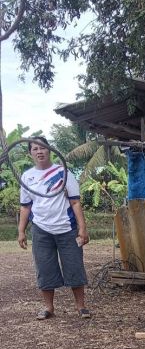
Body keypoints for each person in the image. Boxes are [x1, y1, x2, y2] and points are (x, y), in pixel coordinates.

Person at [17, 136, 91, 319]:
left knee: (74, 266)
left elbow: (75, 202)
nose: (39, 152)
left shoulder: (63, 172)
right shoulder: (27, 177)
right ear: (30, 153)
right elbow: (25, 206)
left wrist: (82, 228)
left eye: (42, 148)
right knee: (45, 268)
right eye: (35, 149)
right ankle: (49, 308)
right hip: (41, 229)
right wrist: (21, 231)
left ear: (49, 149)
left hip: (67, 228)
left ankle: (81, 307)